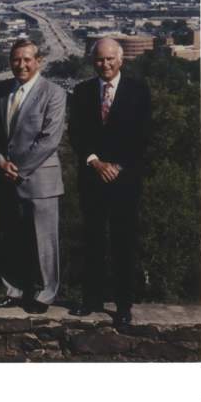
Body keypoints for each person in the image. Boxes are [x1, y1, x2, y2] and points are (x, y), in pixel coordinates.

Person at [68, 36, 151, 326]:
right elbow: (76, 134)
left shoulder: (138, 92)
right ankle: (91, 300)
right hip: (92, 178)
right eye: (99, 60)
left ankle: (124, 305)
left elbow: (144, 136)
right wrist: (96, 162)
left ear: (121, 60)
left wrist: (118, 166)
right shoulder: (81, 92)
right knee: (92, 242)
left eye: (109, 59)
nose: (104, 64)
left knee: (123, 244)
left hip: (125, 182)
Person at [0, 38, 67, 314]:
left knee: (44, 242)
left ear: (38, 62)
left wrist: (18, 169)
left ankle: (45, 294)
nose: (21, 65)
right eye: (16, 60)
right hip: (6, 178)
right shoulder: (1, 92)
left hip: (40, 180)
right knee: (11, 238)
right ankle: (14, 290)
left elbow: (49, 140)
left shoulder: (54, 93)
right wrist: (0, 163)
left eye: (27, 59)